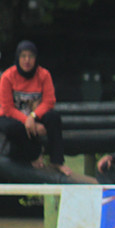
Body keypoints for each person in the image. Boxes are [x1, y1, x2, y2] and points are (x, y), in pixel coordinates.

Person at [0, 40, 71, 175]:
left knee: (53, 117)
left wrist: (33, 117)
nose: (27, 60)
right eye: (23, 56)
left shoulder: (44, 75)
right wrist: (26, 121)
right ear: (18, 58)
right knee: (12, 128)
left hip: (35, 115)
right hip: (14, 117)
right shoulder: (7, 76)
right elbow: (7, 108)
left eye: (31, 56)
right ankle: (34, 155)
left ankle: (57, 161)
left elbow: (49, 101)